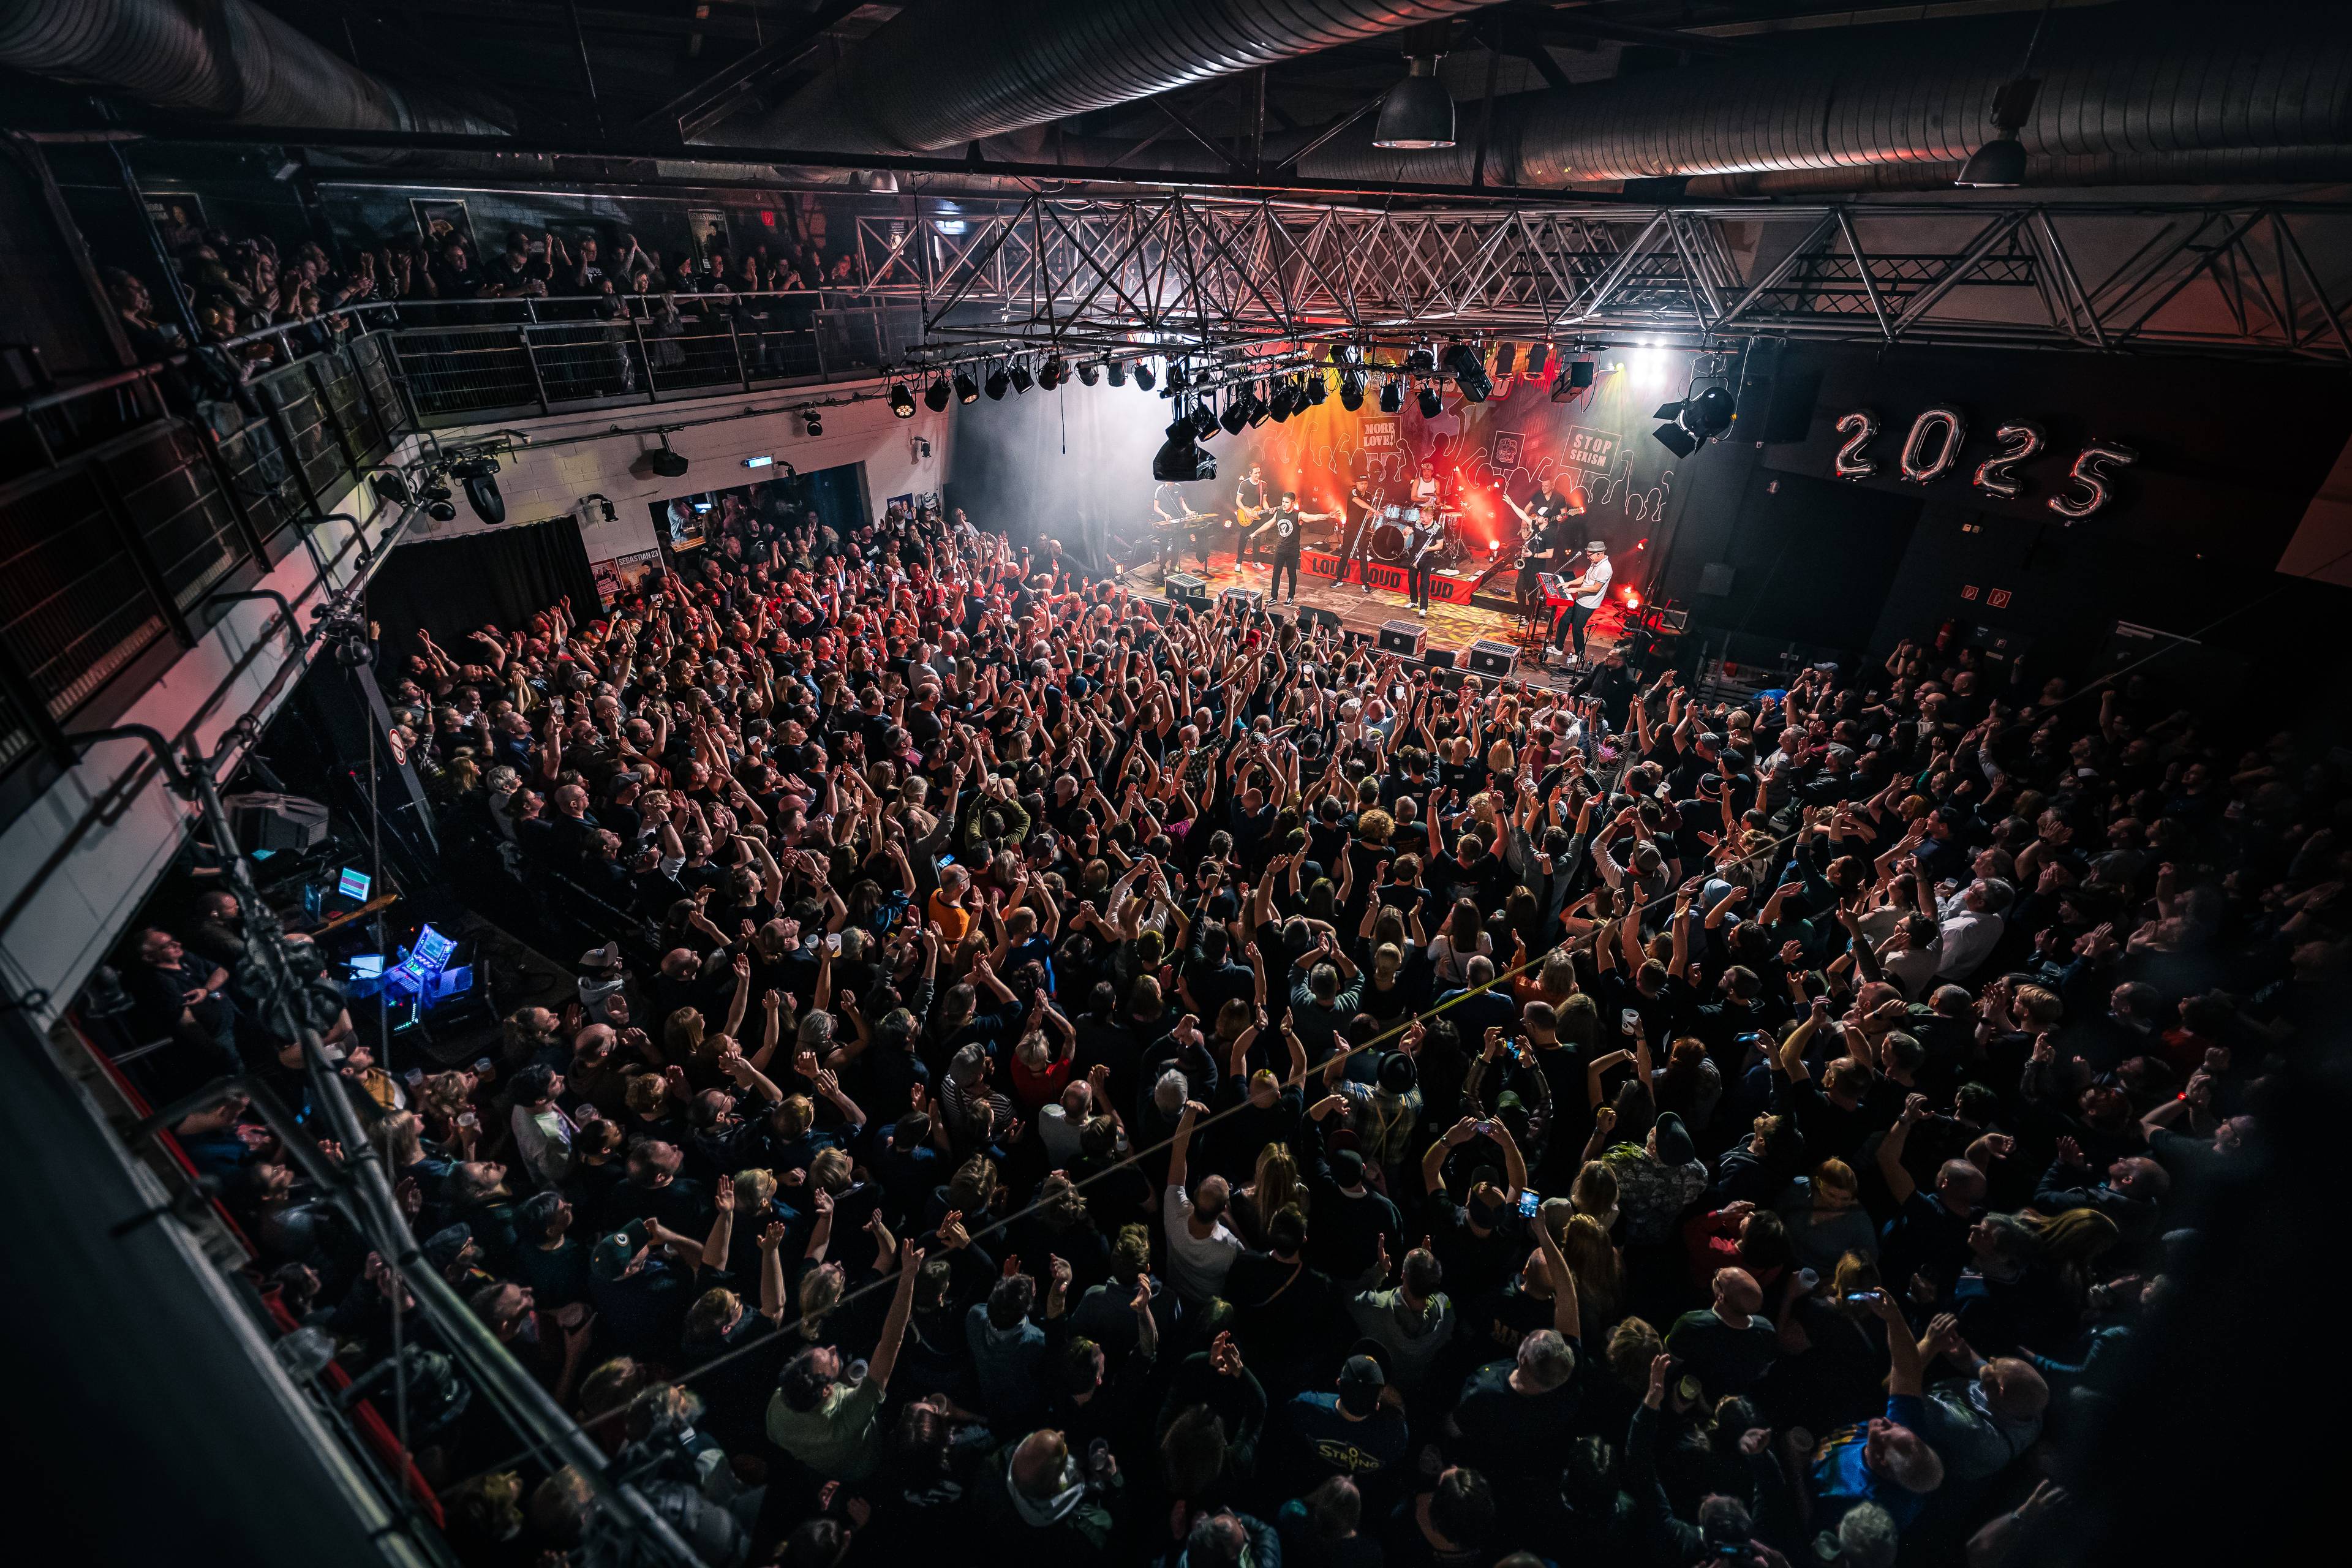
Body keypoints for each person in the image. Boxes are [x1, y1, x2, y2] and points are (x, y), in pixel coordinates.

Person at [1550, 541, 1612, 665]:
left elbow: (1596, 588)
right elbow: (1586, 577)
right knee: (1564, 621)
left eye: (1590, 555)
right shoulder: (1595, 563)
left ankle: (1580, 655)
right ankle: (1558, 648)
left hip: (1588, 604)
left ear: (1599, 554)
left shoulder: (1605, 568)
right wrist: (1569, 583)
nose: (1588, 557)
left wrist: (1576, 589)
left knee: (1577, 628)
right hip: (1580, 599)